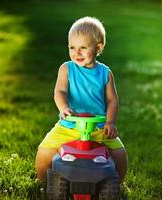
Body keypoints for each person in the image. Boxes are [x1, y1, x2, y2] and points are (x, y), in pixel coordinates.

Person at [35, 16, 128, 184]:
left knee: (120, 153)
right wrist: (64, 108)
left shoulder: (105, 73)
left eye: (83, 48)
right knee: (44, 150)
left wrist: (110, 122)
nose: (76, 53)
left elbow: (112, 100)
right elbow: (60, 91)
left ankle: (119, 183)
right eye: (72, 47)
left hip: (98, 128)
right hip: (69, 126)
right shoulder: (66, 69)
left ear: (98, 48)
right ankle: (41, 180)